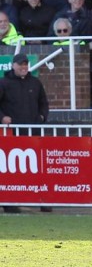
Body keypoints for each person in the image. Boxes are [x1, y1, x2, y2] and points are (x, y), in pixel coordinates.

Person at [0, 53, 50, 214]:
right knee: (12, 171)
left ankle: (42, 201)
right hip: (12, 136)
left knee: (37, 169)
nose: (23, 67)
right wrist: (2, 118)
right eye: (20, 64)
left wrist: (42, 117)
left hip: (33, 134)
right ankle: (10, 202)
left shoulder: (35, 83)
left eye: (26, 64)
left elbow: (44, 103)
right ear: (13, 65)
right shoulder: (3, 83)